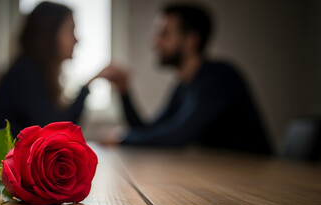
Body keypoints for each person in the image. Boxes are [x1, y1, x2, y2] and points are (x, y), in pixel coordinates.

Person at [100, 3, 272, 154]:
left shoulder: (219, 78)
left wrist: (123, 139)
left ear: (191, 40)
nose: (155, 42)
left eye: (164, 34)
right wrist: (124, 92)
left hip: (257, 178)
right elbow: (150, 130)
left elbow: (178, 137)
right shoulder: (184, 85)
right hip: (224, 175)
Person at [0, 2, 98, 139]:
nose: (76, 40)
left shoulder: (35, 72)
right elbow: (52, 131)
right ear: (50, 34)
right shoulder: (25, 74)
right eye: (71, 30)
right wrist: (87, 86)